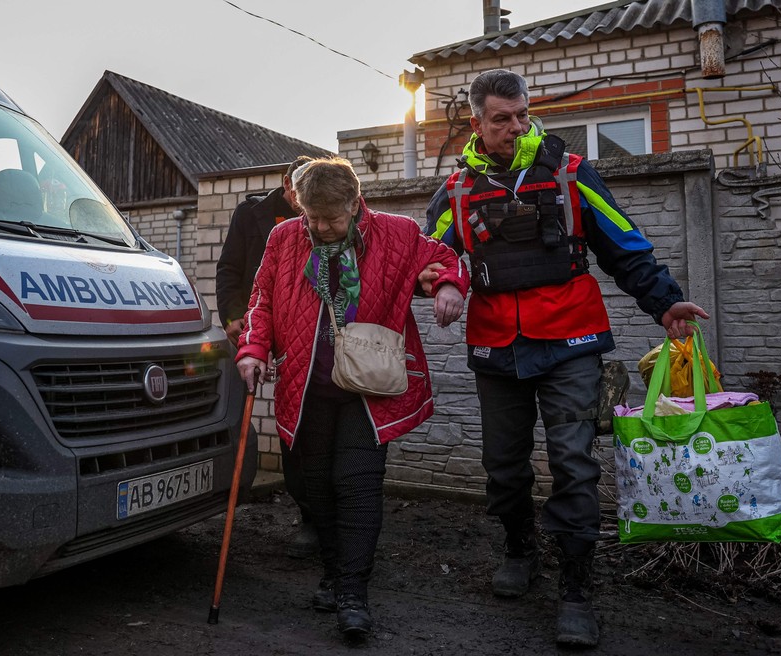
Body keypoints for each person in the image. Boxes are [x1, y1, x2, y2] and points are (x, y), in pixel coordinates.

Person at [423, 69, 709, 648]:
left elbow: (625, 246)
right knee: (503, 465)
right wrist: (444, 284)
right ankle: (519, 550)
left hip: (572, 342)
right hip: (495, 346)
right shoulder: (454, 192)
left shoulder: (573, 174)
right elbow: (431, 258)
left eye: (522, 114)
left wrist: (666, 304)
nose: (515, 126)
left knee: (573, 461)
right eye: (501, 118)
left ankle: (577, 588)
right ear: (475, 123)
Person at [236, 157, 469, 640]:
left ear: (355, 204)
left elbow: (445, 259)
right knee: (314, 486)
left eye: (331, 220)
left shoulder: (396, 233)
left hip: (368, 390)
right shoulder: (284, 239)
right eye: (312, 218)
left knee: (358, 485)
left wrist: (448, 286)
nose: (320, 228)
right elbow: (261, 299)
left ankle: (352, 593)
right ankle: (333, 570)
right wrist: (253, 349)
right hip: (305, 388)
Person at [216, 156, 318, 559]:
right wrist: (233, 317)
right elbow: (228, 269)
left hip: (303, 333)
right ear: (285, 183)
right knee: (276, 423)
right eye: (296, 188)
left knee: (303, 423)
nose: (301, 198)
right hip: (257, 329)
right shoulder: (252, 214)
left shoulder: (322, 212)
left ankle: (315, 515)